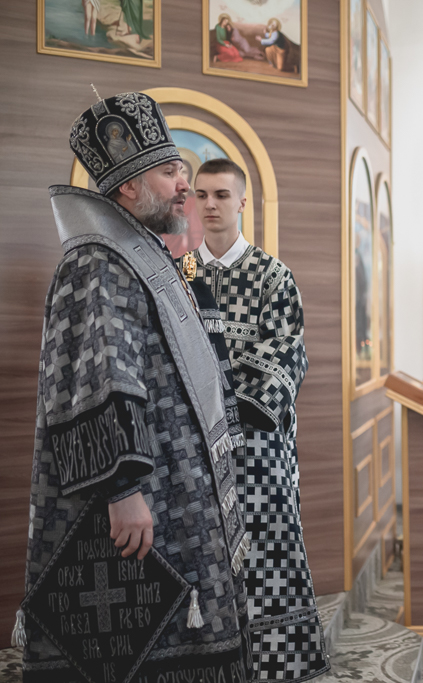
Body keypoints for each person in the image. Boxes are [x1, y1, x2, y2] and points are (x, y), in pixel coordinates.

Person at [18, 92, 253, 681]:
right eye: (171, 172)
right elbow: (97, 375)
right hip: (142, 491)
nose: (185, 186)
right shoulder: (96, 262)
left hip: (175, 483)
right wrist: (122, 490)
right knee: (139, 641)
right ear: (129, 186)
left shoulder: (139, 250)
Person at [188, 159, 329, 681]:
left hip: (258, 444)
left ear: (243, 202)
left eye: (222, 195)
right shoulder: (178, 276)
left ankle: (278, 666)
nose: (210, 204)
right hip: (194, 446)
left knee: (270, 552)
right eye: (202, 194)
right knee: (204, 555)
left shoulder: (273, 277)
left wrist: (225, 399)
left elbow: (285, 354)